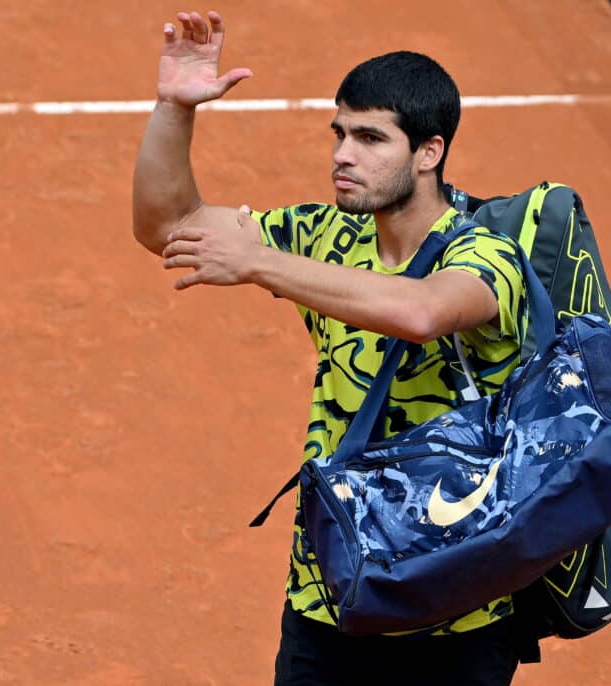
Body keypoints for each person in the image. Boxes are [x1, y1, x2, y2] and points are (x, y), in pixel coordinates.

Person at [132, 10, 538, 686]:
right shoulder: (326, 236)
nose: (343, 155)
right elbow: (167, 225)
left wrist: (259, 262)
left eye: (371, 138)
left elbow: (420, 310)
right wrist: (174, 110)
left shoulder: (486, 256)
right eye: (340, 134)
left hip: (457, 611)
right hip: (331, 596)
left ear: (428, 152)